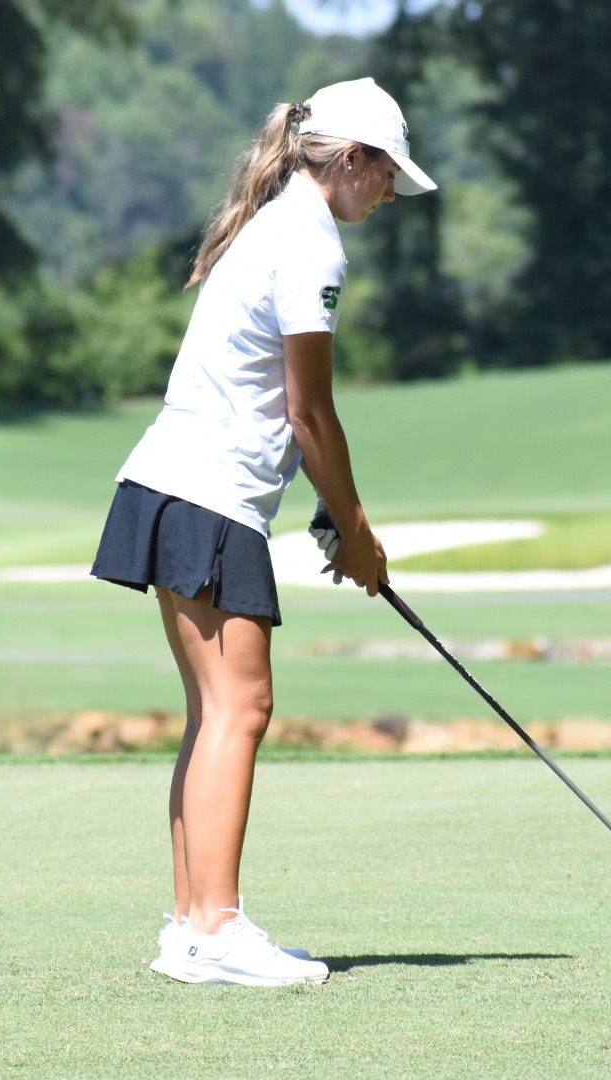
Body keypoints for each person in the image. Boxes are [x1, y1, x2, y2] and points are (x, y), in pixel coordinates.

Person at [89, 77, 437, 987]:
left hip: (170, 488)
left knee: (215, 713)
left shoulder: (279, 219)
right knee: (242, 709)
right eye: (387, 174)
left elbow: (283, 412)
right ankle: (218, 930)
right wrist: (357, 528)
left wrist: (330, 510)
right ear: (351, 160)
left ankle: (189, 927)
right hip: (205, 500)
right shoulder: (310, 241)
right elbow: (310, 411)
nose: (391, 194)